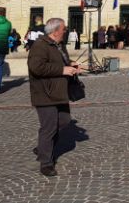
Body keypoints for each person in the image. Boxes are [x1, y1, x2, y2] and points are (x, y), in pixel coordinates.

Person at [27, 17, 83, 177]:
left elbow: (62, 61)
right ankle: (46, 163)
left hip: (59, 92)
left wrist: (72, 65)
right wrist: (62, 70)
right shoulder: (40, 45)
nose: (65, 31)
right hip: (44, 92)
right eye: (63, 29)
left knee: (64, 120)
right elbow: (36, 67)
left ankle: (44, 146)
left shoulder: (59, 45)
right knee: (49, 127)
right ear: (55, 31)